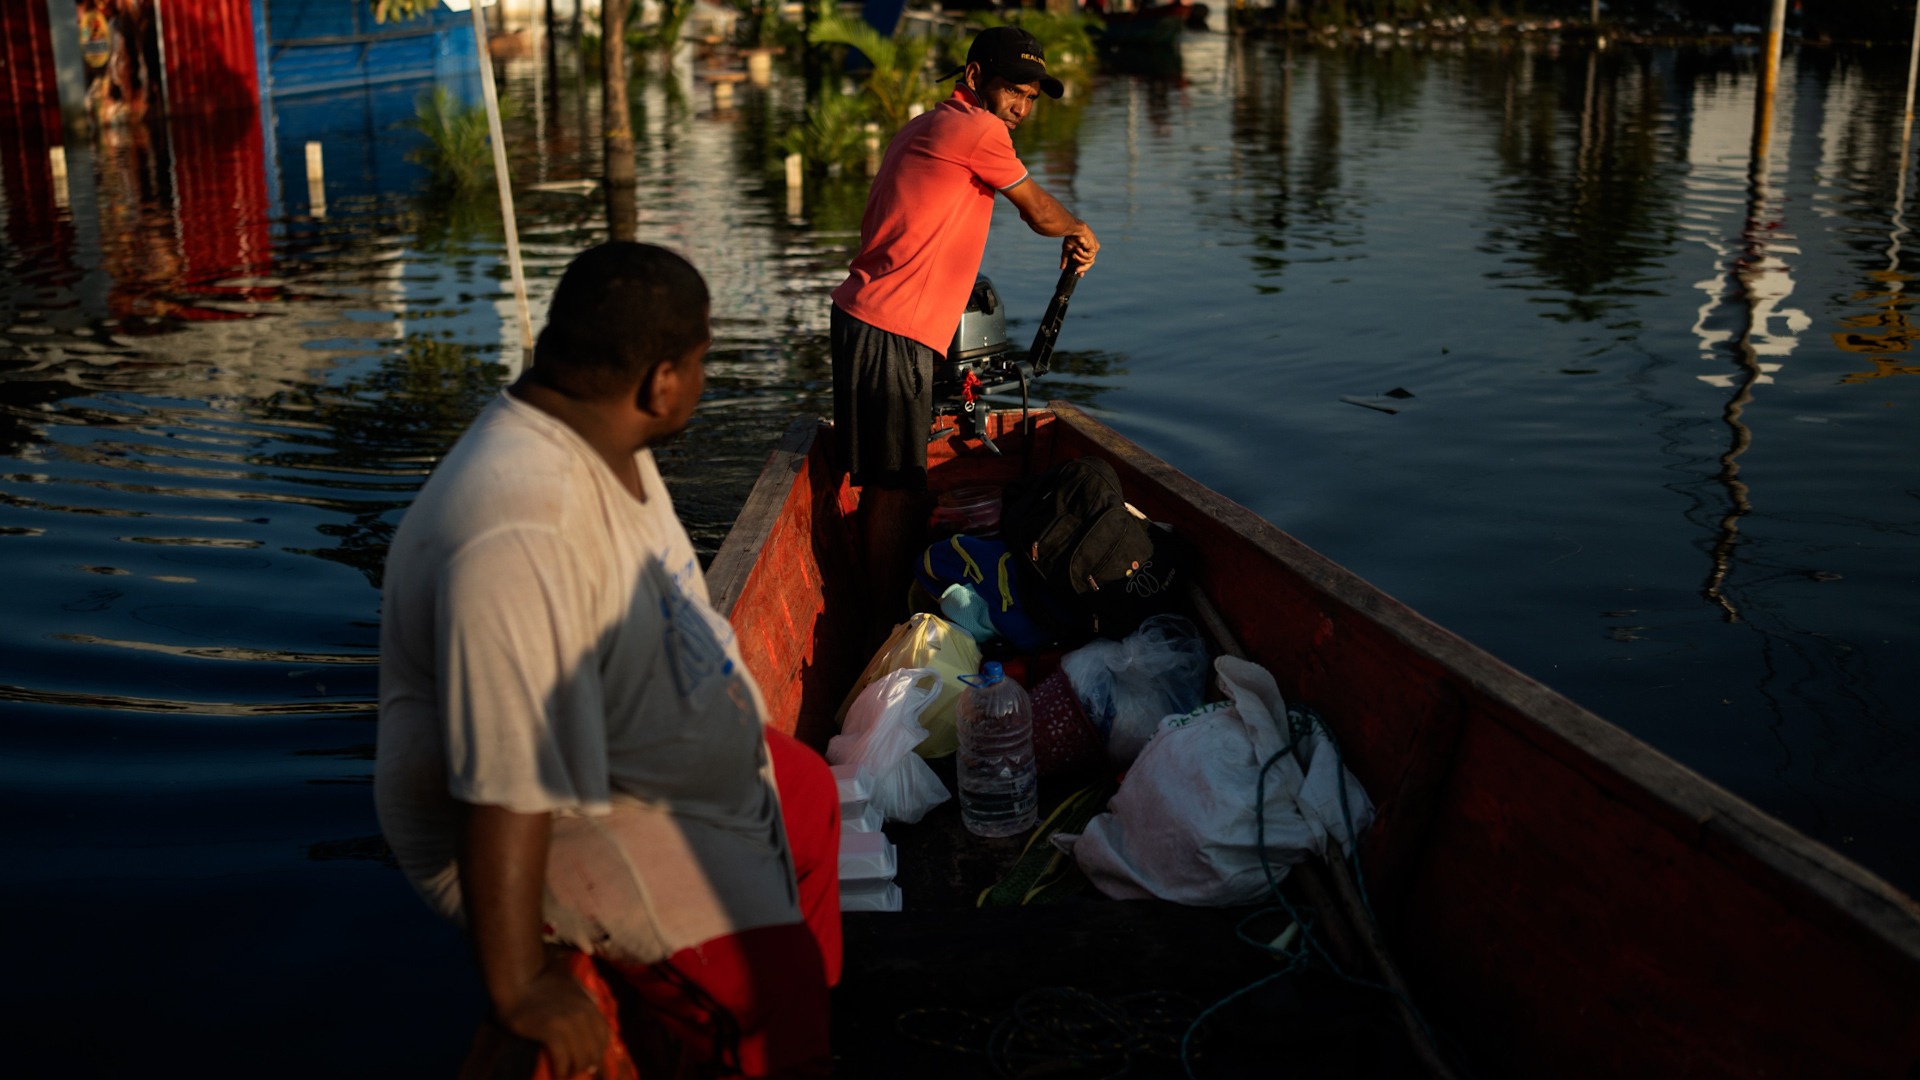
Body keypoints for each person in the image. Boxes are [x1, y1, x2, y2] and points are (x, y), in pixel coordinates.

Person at [375, 242, 841, 1079]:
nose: (703, 382)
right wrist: (518, 985)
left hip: (634, 761)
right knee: (768, 991)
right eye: (701, 362)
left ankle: (812, 1011)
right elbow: (506, 789)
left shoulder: (603, 433)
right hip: (561, 821)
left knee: (807, 796)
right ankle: (766, 1027)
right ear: (660, 381)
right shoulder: (518, 532)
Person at [829, 25, 1100, 620]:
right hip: (892, 328)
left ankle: (882, 609)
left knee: (887, 480)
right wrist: (1078, 230)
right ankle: (887, 624)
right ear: (975, 78)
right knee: (899, 485)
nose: (1021, 108)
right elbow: (1037, 210)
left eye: (1030, 97)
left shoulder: (928, 125)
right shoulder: (979, 129)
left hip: (866, 318)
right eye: (1013, 91)